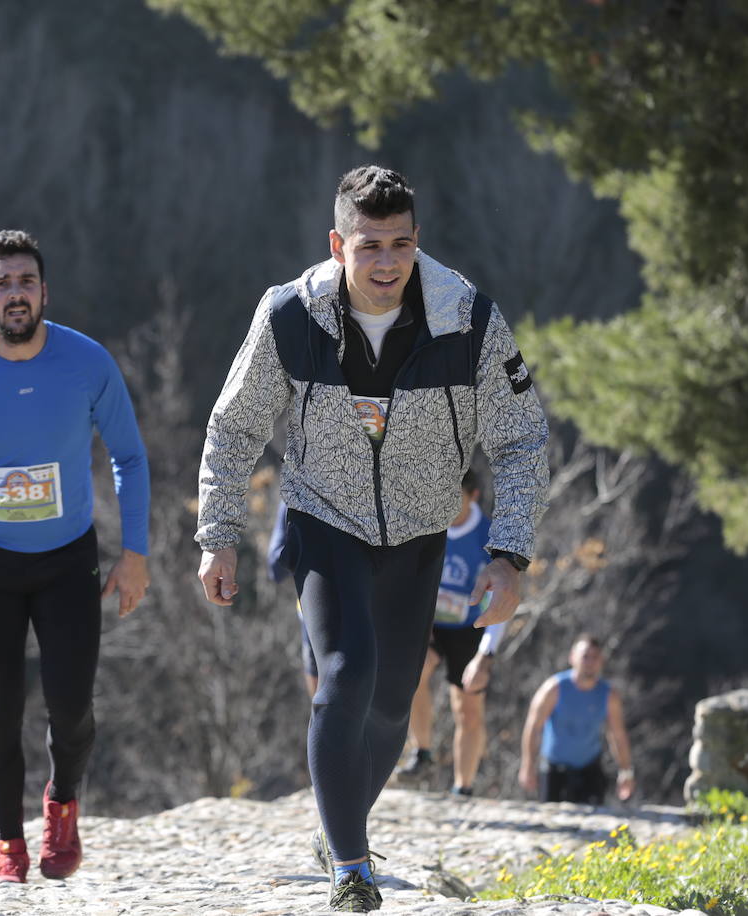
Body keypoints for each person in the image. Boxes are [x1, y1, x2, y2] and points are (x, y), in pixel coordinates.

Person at [195, 166, 549, 912]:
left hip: (422, 533)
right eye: (369, 247)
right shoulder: (289, 316)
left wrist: (508, 553)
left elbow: (521, 439)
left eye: (401, 245)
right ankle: (352, 869)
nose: (387, 264)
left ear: (417, 243)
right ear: (337, 244)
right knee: (346, 673)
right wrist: (219, 534)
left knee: (393, 704)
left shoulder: (468, 319)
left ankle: (338, 827)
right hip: (325, 523)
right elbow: (233, 429)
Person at [0, 230, 150, 883]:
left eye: (26, 282)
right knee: (1, 711)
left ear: (44, 292)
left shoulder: (87, 362)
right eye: (3, 283)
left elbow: (128, 456)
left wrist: (136, 553)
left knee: (71, 707)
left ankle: (63, 805)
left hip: (68, 560)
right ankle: (9, 845)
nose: (15, 294)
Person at [395, 471, 504, 796]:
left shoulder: (488, 536)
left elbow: (501, 604)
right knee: (413, 671)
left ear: (472, 496)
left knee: (467, 706)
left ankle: (463, 787)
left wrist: (486, 655)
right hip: (430, 622)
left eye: (453, 494)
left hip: (472, 627)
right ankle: (422, 751)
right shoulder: (426, 523)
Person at [517, 634, 634, 805]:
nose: (590, 662)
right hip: (553, 770)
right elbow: (534, 727)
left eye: (595, 657)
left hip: (589, 770)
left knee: (594, 825)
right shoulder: (554, 689)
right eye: (585, 656)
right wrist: (528, 765)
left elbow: (617, 735)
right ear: (572, 657)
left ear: (601, 661)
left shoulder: (609, 695)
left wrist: (626, 772)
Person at [267, 499, 319, 698]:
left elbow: (275, 567)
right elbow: (275, 567)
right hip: (312, 612)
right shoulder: (294, 496)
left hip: (319, 610)